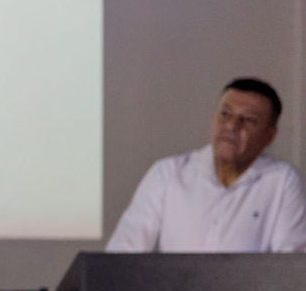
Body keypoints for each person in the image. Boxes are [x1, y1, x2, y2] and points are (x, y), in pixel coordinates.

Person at [106, 77, 306, 252]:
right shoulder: (167, 174)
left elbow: (293, 266)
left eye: (247, 120)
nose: (231, 126)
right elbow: (122, 254)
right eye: (225, 114)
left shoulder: (282, 182)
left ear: (270, 135)